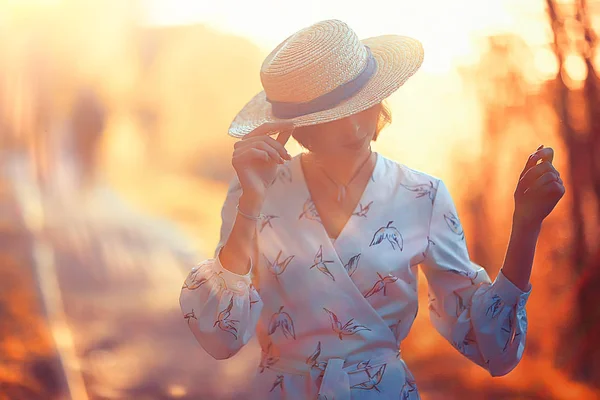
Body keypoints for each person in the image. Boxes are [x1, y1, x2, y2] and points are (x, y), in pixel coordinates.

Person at [179, 19, 565, 399]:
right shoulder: (256, 190)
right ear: (298, 126)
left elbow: (492, 349)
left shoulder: (422, 195)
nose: (355, 131)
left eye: (361, 107)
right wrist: (250, 202)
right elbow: (219, 335)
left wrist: (526, 226)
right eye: (332, 117)